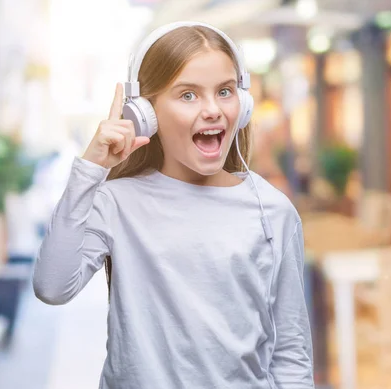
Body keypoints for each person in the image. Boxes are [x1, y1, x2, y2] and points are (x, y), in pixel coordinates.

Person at [32, 21, 314, 389]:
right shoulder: (117, 202)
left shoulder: (272, 212)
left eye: (225, 91)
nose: (213, 110)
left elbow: (291, 351)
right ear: (145, 113)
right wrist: (91, 169)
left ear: (242, 104)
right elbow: (52, 286)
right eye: (188, 95)